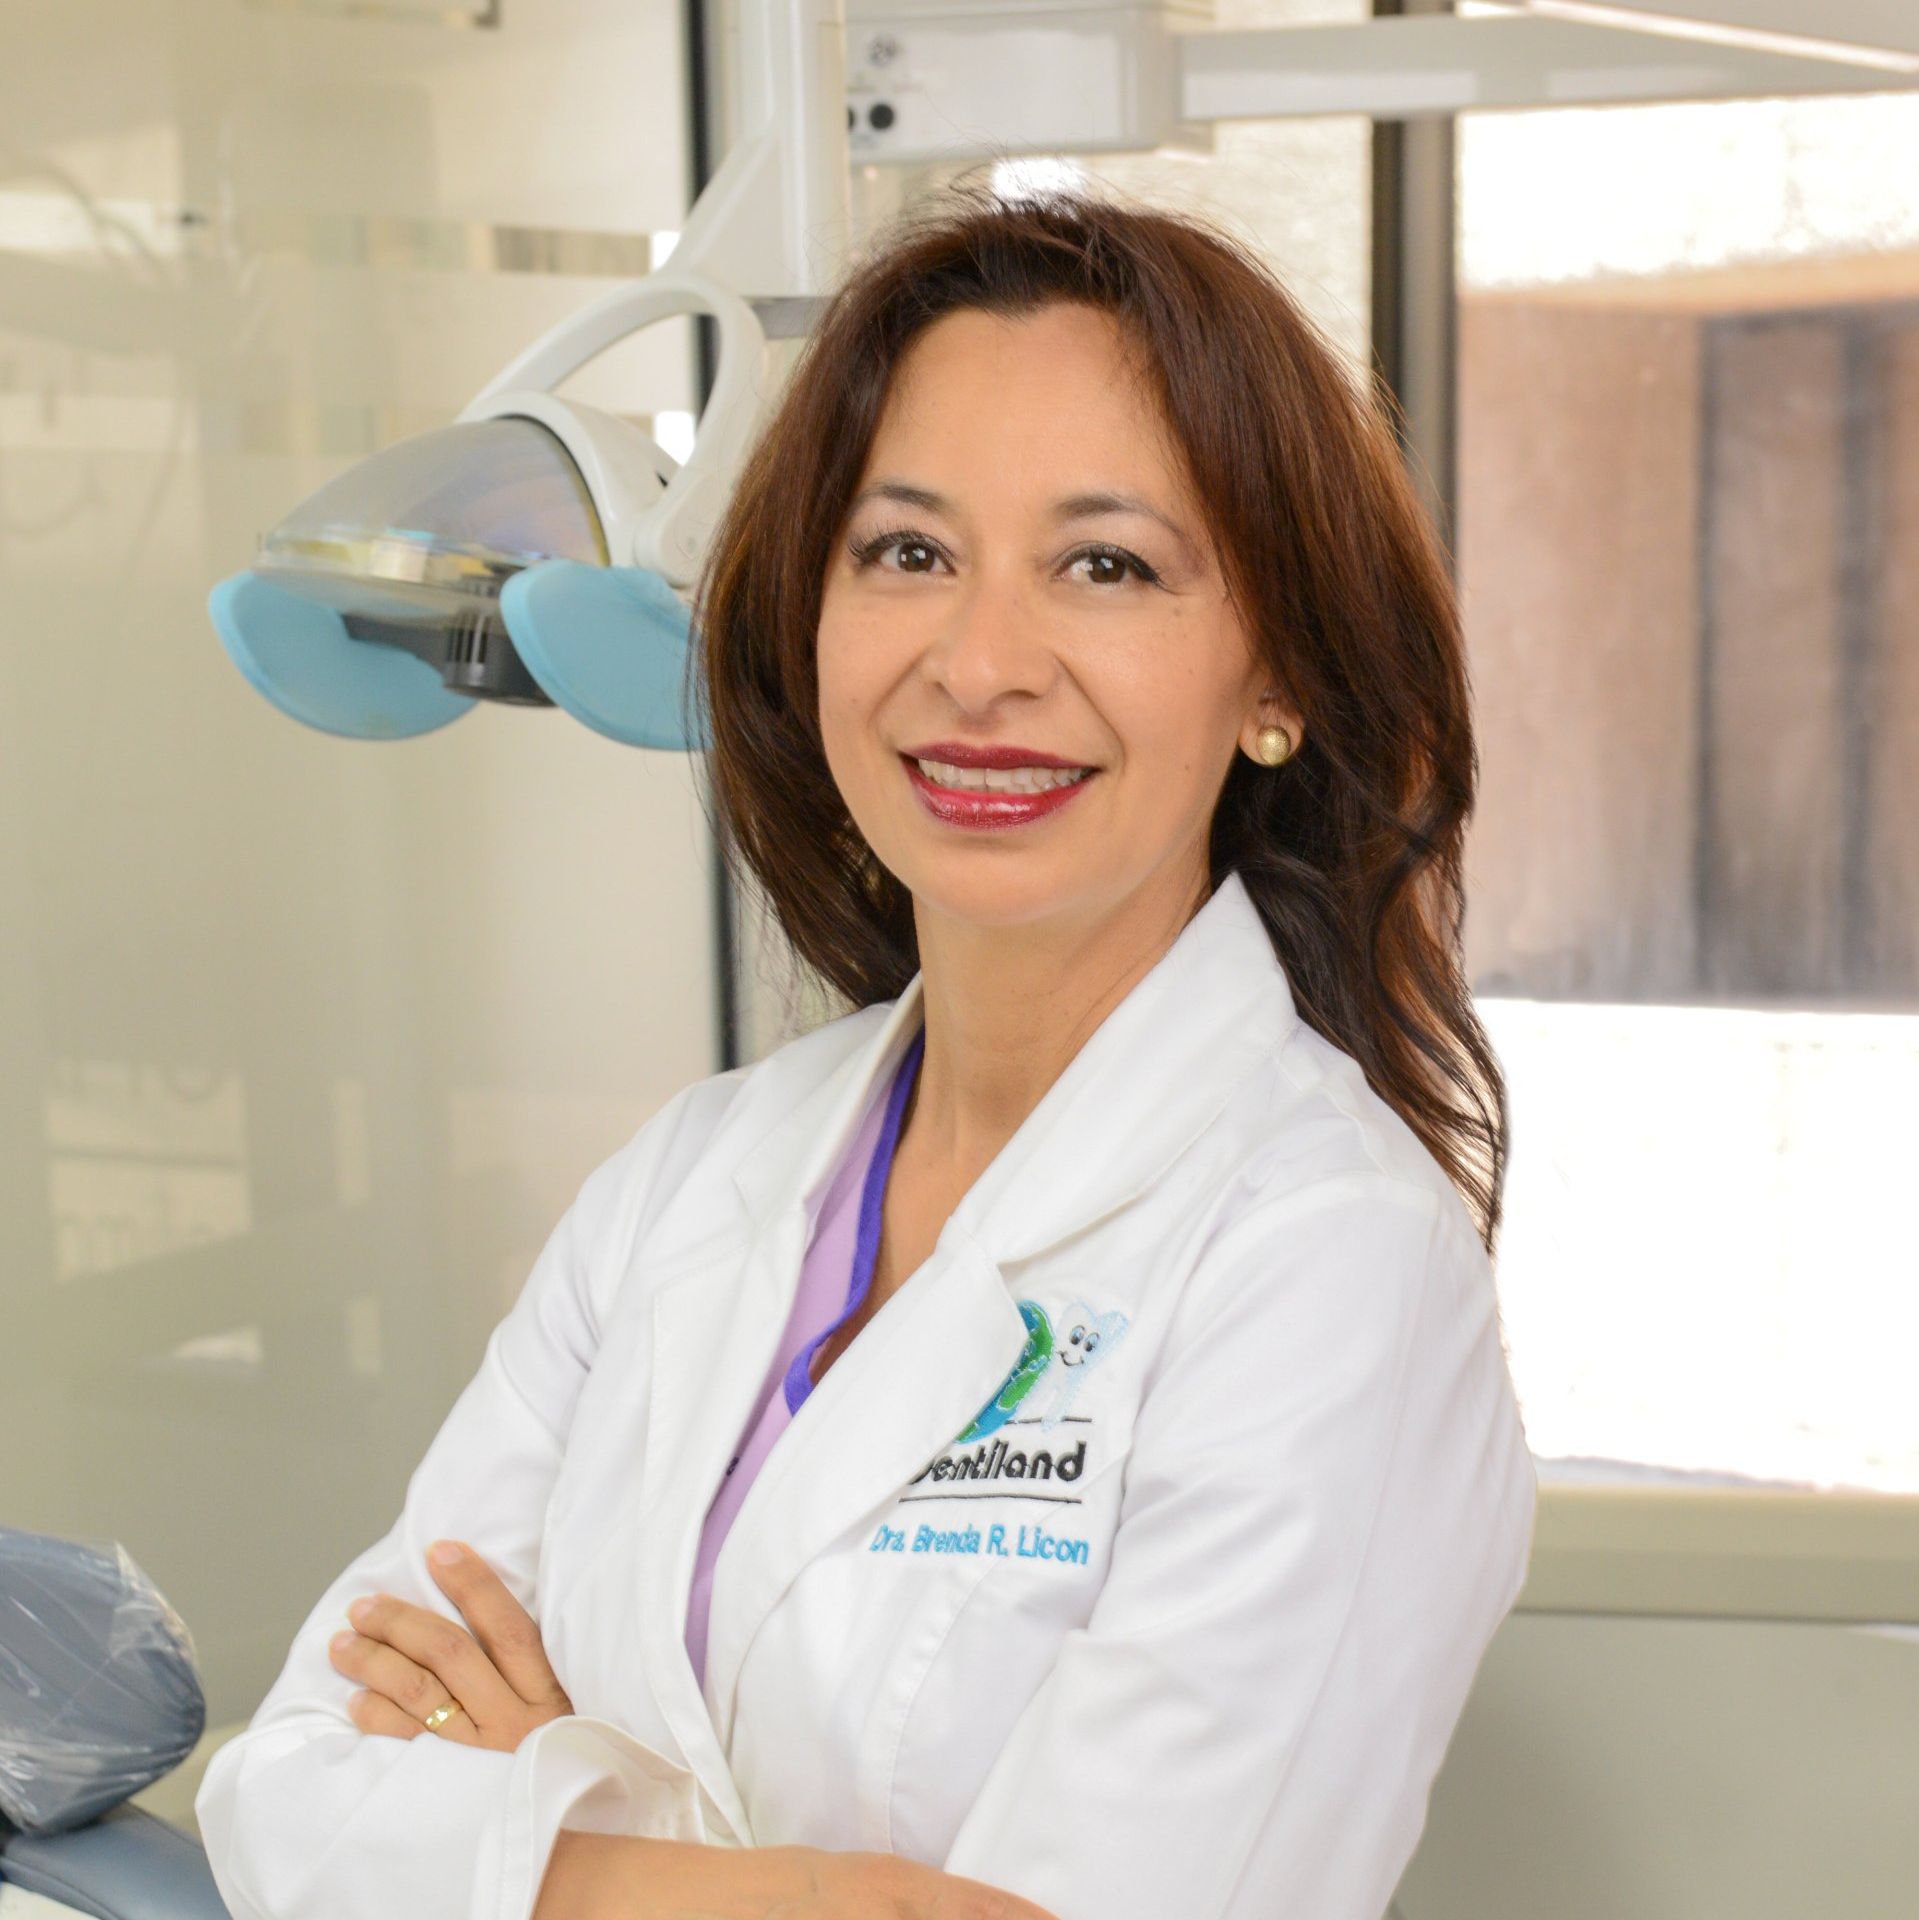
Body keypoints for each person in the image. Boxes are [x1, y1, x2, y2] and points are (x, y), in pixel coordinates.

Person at [195, 173, 1536, 1920]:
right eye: (907, 552)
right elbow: (290, 1797)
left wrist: (544, 1826)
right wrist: (843, 1891)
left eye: (1105, 564)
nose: (980, 662)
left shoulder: (1326, 1261)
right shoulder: (694, 1179)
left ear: (1273, 677)